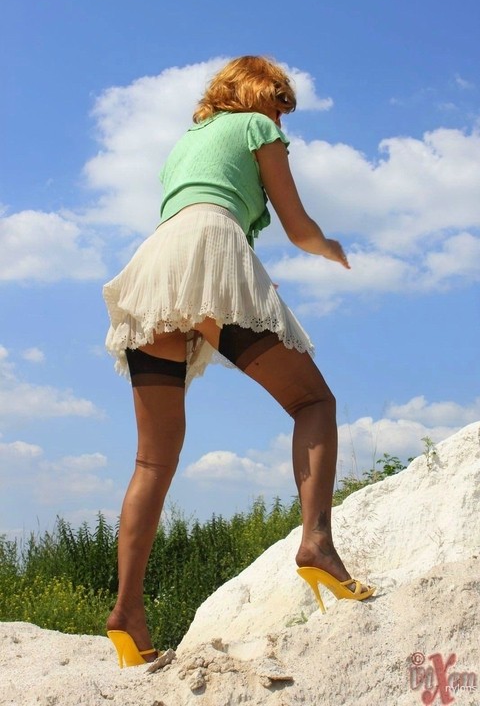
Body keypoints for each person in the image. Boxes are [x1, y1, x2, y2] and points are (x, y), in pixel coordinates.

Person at [103, 55, 374, 668]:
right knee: (313, 402)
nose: (285, 120)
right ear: (263, 94)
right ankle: (317, 546)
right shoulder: (257, 127)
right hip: (208, 249)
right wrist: (329, 247)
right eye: (283, 104)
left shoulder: (186, 141)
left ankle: (127, 613)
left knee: (153, 456)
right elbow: (297, 224)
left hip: (153, 268)